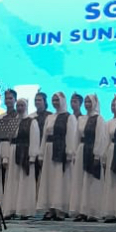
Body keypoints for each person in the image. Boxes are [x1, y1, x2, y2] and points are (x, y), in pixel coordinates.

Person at [38, 92, 78, 220]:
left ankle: (60, 209)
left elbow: (71, 135)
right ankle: (50, 208)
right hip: (49, 150)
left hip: (61, 151)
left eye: (57, 100)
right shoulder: (50, 117)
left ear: (62, 101)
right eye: (53, 100)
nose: (55, 102)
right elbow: (44, 136)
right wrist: (41, 153)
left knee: (60, 179)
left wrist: (70, 152)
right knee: (49, 179)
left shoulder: (69, 117)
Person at [69, 93, 108, 220]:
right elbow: (76, 137)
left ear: (95, 103)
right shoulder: (81, 119)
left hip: (92, 152)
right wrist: (74, 152)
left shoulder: (99, 119)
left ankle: (93, 211)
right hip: (81, 150)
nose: (87, 104)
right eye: (86, 102)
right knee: (80, 181)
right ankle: (82, 210)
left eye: (89, 102)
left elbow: (100, 138)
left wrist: (97, 155)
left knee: (92, 181)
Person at [2, 97, 41, 219]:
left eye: (22, 105)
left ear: (26, 107)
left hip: (26, 153)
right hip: (13, 152)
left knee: (25, 181)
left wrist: (32, 156)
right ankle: (11, 209)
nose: (19, 108)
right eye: (18, 106)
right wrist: (5, 157)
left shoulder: (32, 121)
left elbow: (34, 139)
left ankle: (24, 210)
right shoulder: (12, 122)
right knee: (12, 181)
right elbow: (6, 140)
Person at [33, 91, 49, 184]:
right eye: (35, 100)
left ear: (44, 101)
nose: (37, 102)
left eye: (39, 100)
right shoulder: (31, 116)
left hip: (45, 148)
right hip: (34, 148)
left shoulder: (50, 116)